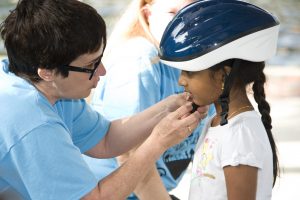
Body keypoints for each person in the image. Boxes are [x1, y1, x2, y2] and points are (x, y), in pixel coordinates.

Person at [0, 0, 208, 199]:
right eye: (91, 65)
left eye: (100, 59)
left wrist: (167, 108)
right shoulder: (33, 122)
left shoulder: (42, 85)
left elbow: (106, 140)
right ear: (47, 71)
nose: (103, 71)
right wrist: (158, 141)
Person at [83, 0, 214, 199]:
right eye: (172, 13)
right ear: (147, 14)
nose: (185, 23)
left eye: (194, 11)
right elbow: (128, 153)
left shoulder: (194, 59)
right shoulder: (138, 60)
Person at [159, 0, 280, 199]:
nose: (181, 80)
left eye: (189, 72)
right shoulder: (216, 122)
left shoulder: (240, 135)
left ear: (223, 76)